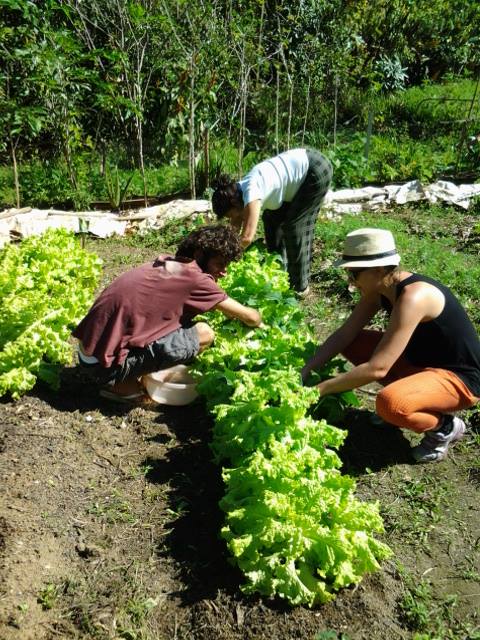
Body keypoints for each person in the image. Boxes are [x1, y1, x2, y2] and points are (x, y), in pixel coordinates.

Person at [302, 227, 480, 463]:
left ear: (377, 269)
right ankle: (410, 397)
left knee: (390, 404)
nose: (350, 282)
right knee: (354, 343)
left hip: (460, 378)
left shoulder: (414, 297)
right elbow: (345, 334)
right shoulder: (381, 288)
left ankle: (444, 427)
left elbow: (378, 368)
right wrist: (306, 370)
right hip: (420, 362)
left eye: (354, 274)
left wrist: (317, 391)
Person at [73, 225, 262, 402]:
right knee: (204, 333)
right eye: (219, 264)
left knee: (180, 325)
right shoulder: (196, 280)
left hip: (88, 353)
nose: (224, 272)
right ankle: (120, 384)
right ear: (199, 255)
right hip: (101, 367)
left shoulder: (169, 264)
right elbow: (251, 317)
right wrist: (259, 320)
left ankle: (128, 375)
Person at [211, 148, 332, 295]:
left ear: (233, 203)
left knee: (294, 227)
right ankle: (279, 272)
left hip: (314, 170)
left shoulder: (251, 191)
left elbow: (247, 238)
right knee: (271, 220)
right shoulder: (237, 194)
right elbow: (234, 229)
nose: (234, 219)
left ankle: (300, 287)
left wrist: (226, 260)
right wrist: (221, 250)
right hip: (296, 178)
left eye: (231, 215)